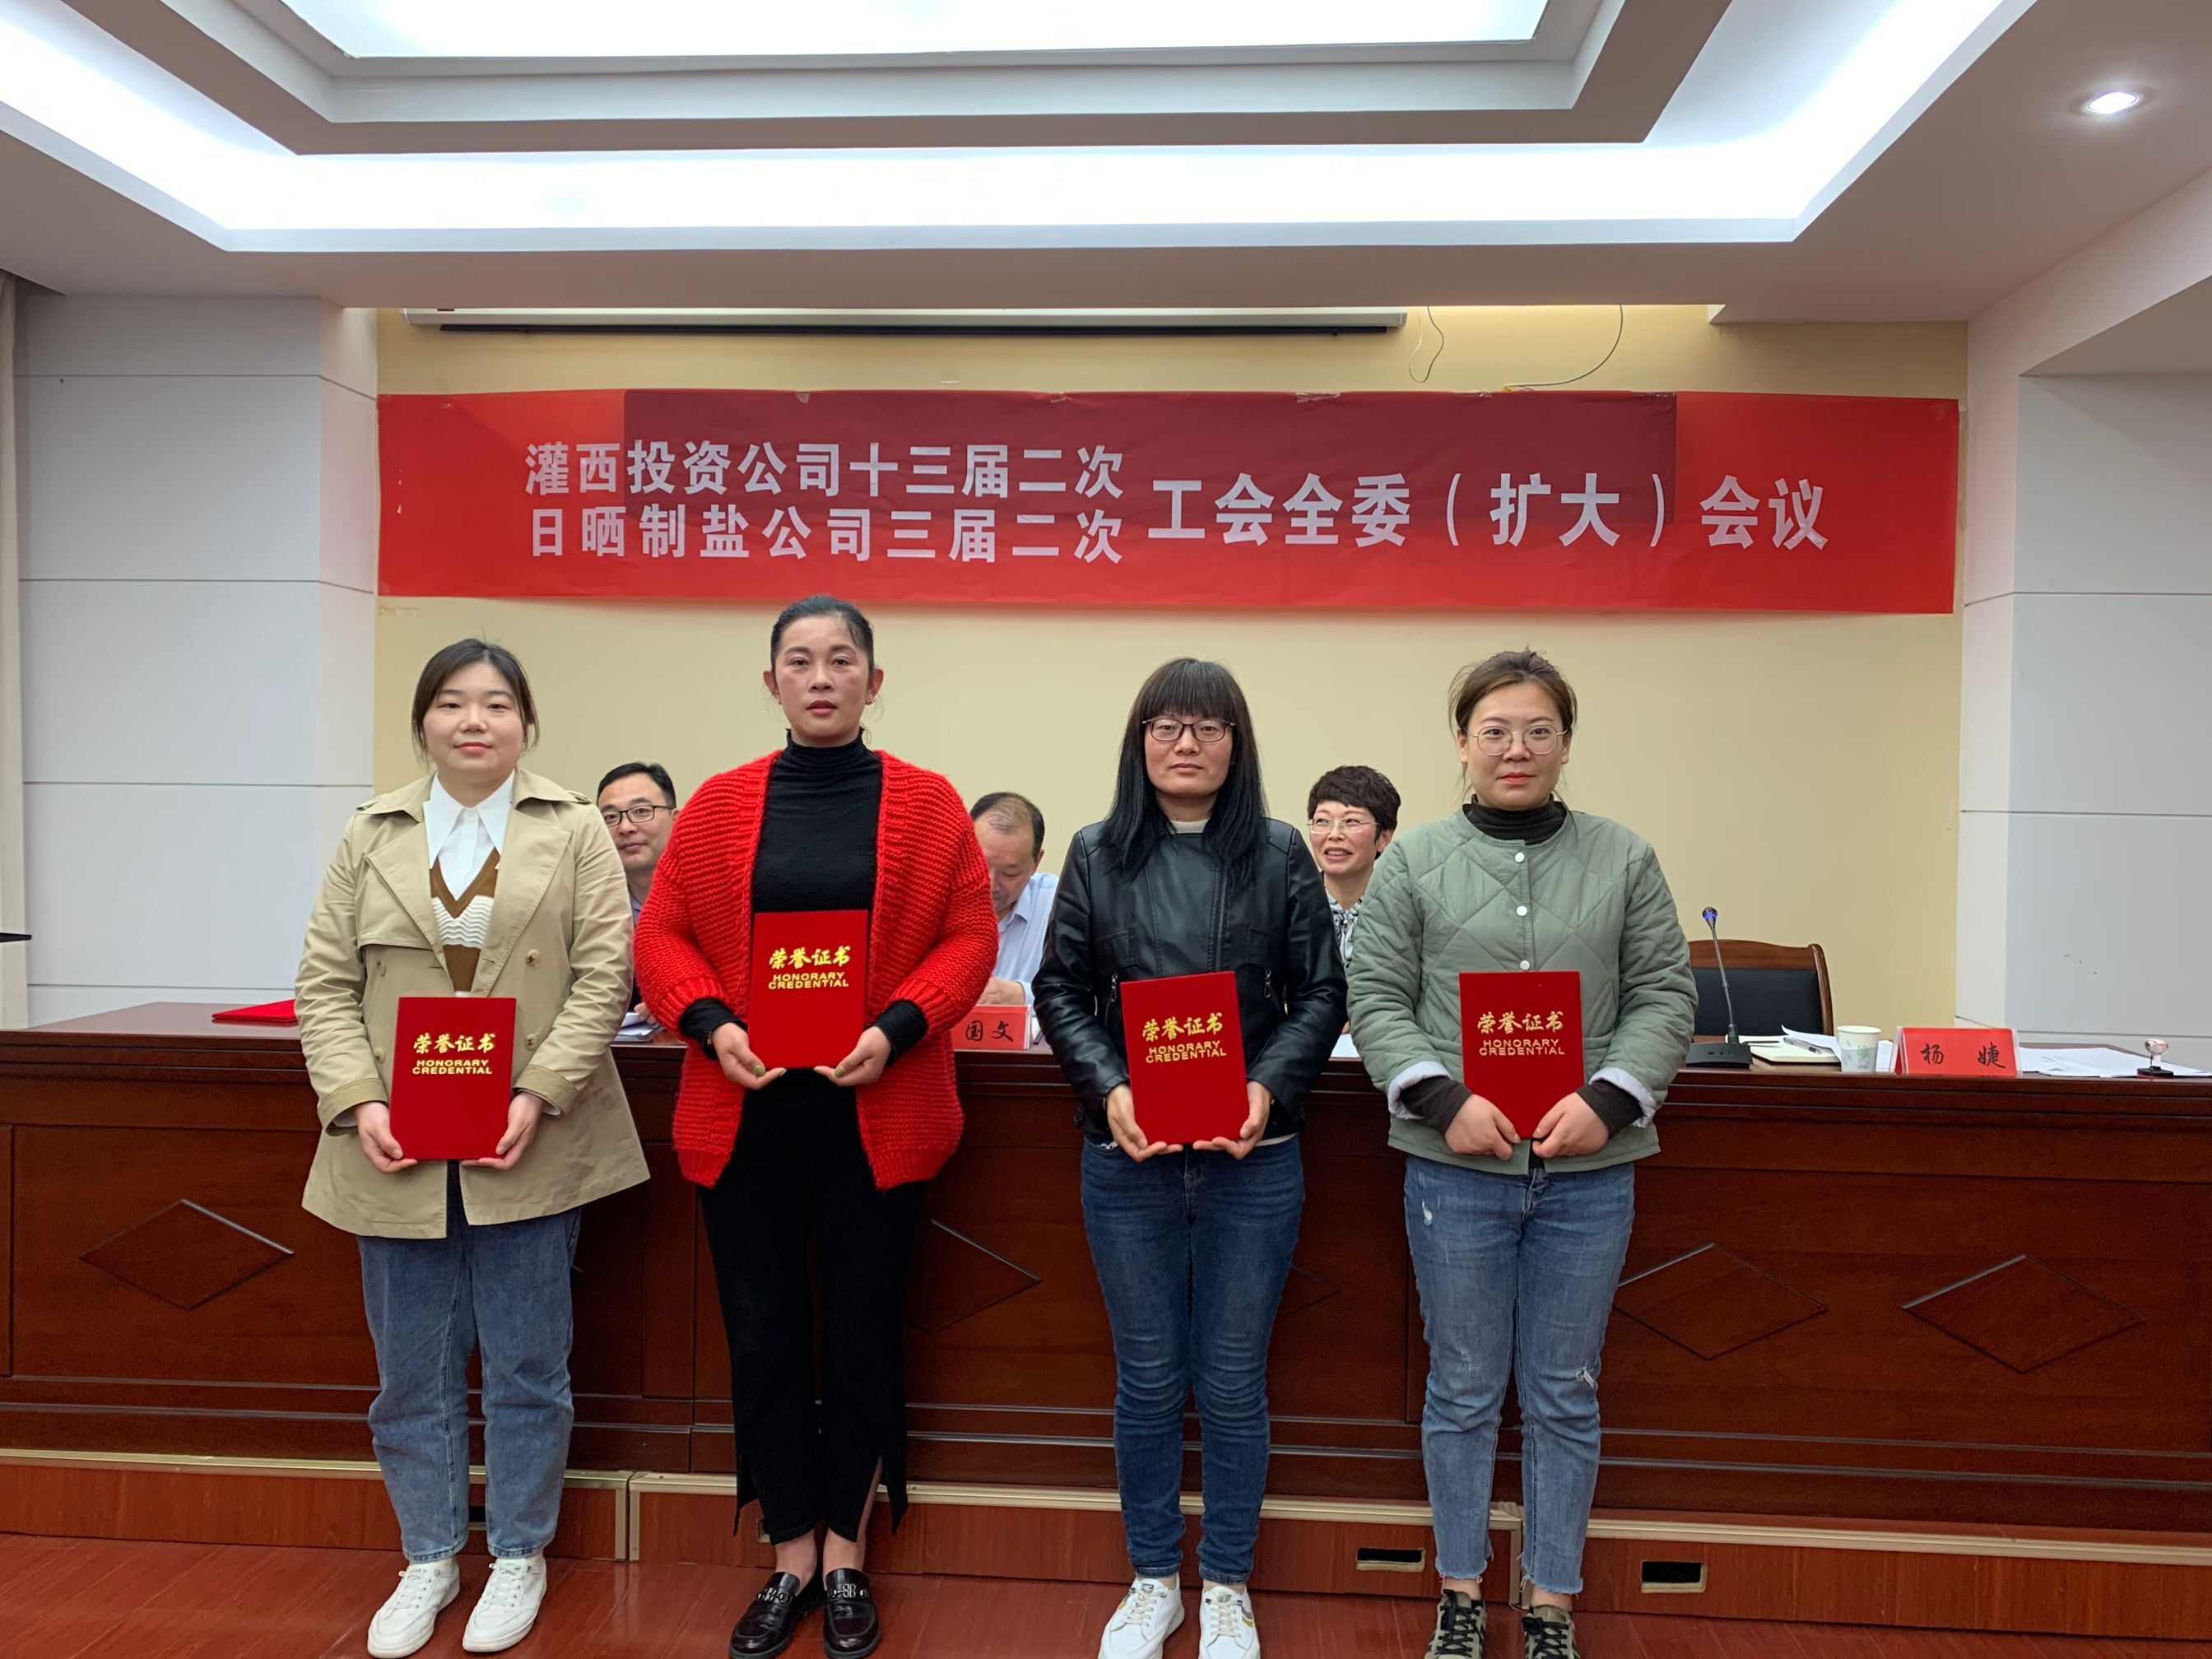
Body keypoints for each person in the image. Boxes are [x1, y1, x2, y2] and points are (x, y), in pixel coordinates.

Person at [634, 595, 996, 1659]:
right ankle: (787, 1550)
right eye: (800, 660)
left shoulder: (928, 804)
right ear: (773, 683)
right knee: (763, 1333)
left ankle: (847, 1554)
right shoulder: (717, 804)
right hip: (746, 1110)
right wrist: (711, 1024)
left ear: (874, 683)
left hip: (877, 1105)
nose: (822, 677)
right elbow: (662, 935)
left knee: (865, 1336)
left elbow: (969, 937)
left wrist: (897, 1027)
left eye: (842, 660)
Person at [295, 639, 649, 1659]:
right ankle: (429, 1556)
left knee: (529, 1363)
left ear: (526, 724)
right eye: (452, 703)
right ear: (424, 724)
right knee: (410, 1370)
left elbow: (605, 976)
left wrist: (540, 1092)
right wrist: (359, 1100)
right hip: (396, 1141)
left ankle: (520, 1553)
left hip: (529, 1135)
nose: (474, 721)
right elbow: (323, 984)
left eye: (496, 703)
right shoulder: (371, 831)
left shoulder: (574, 828)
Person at [1344, 649, 1694, 1659]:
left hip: (1589, 1172)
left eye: (1538, 730)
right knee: (1461, 1385)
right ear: (1462, 743)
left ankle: (1551, 1604)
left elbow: (1664, 995)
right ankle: (1460, 1593)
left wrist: (1609, 1099)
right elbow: (1377, 999)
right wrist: (1441, 1099)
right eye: (1495, 730)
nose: (1516, 749)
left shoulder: (1624, 857)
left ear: (1566, 744)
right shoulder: (1413, 861)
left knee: (1564, 1388)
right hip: (1455, 1168)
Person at [1034, 658, 1345, 1659]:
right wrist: (1110, 1090)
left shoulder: (1280, 851)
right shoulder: (1096, 850)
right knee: (1148, 1379)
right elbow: (1060, 989)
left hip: (1255, 1155)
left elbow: (1321, 993)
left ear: (1236, 745)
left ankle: (1228, 1586)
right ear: (1140, 741)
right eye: (1166, 726)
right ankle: (1154, 1580)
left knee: (1234, 1380)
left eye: (1208, 728)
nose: (1186, 744)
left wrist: (1266, 1089)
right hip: (1128, 1155)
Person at [1304, 764, 1401, 965]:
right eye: (1322, 821)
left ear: (1384, 837)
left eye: (1352, 822)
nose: (1334, 834)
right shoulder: (1291, 908)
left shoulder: (1402, 911)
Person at [970, 789, 1057, 1005]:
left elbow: (1089, 995)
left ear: (1036, 862)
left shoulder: (1057, 904)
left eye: (1010, 873)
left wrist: (1021, 995)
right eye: (980, 864)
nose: (991, 884)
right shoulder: (929, 899)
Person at [597, 760, 680, 922]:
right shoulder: (592, 905)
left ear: (676, 820)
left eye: (641, 811)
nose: (625, 827)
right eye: (611, 817)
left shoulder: (708, 894)